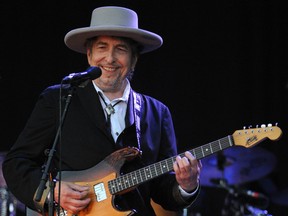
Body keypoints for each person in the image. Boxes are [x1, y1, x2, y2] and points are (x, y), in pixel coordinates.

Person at [2, 6, 202, 216]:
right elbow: (16, 163)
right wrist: (52, 192)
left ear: (134, 59)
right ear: (89, 55)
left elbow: (162, 190)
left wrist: (186, 186)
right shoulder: (58, 99)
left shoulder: (157, 113)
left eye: (121, 49)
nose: (110, 58)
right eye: (102, 47)